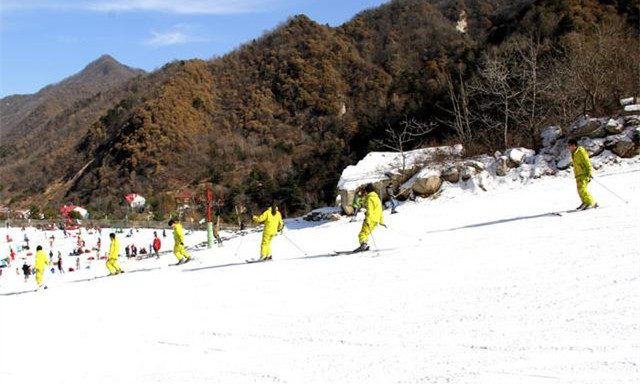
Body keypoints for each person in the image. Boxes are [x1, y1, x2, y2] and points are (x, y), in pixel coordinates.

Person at [568, 139, 597, 210]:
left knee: (582, 189)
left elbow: (587, 162)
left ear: (574, 145)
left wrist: (590, 172)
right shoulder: (574, 153)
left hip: (584, 173)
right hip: (578, 174)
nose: (568, 147)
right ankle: (585, 202)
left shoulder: (581, 152)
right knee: (579, 189)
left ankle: (591, 203)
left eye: (569, 145)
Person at [356, 184, 385, 252]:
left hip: (370, 219)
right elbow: (380, 210)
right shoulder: (377, 198)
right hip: (376, 220)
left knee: (362, 233)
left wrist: (368, 220)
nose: (365, 193)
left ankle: (363, 245)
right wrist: (381, 221)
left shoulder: (370, 198)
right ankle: (364, 245)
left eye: (365, 191)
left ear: (367, 191)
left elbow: (370, 210)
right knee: (366, 234)